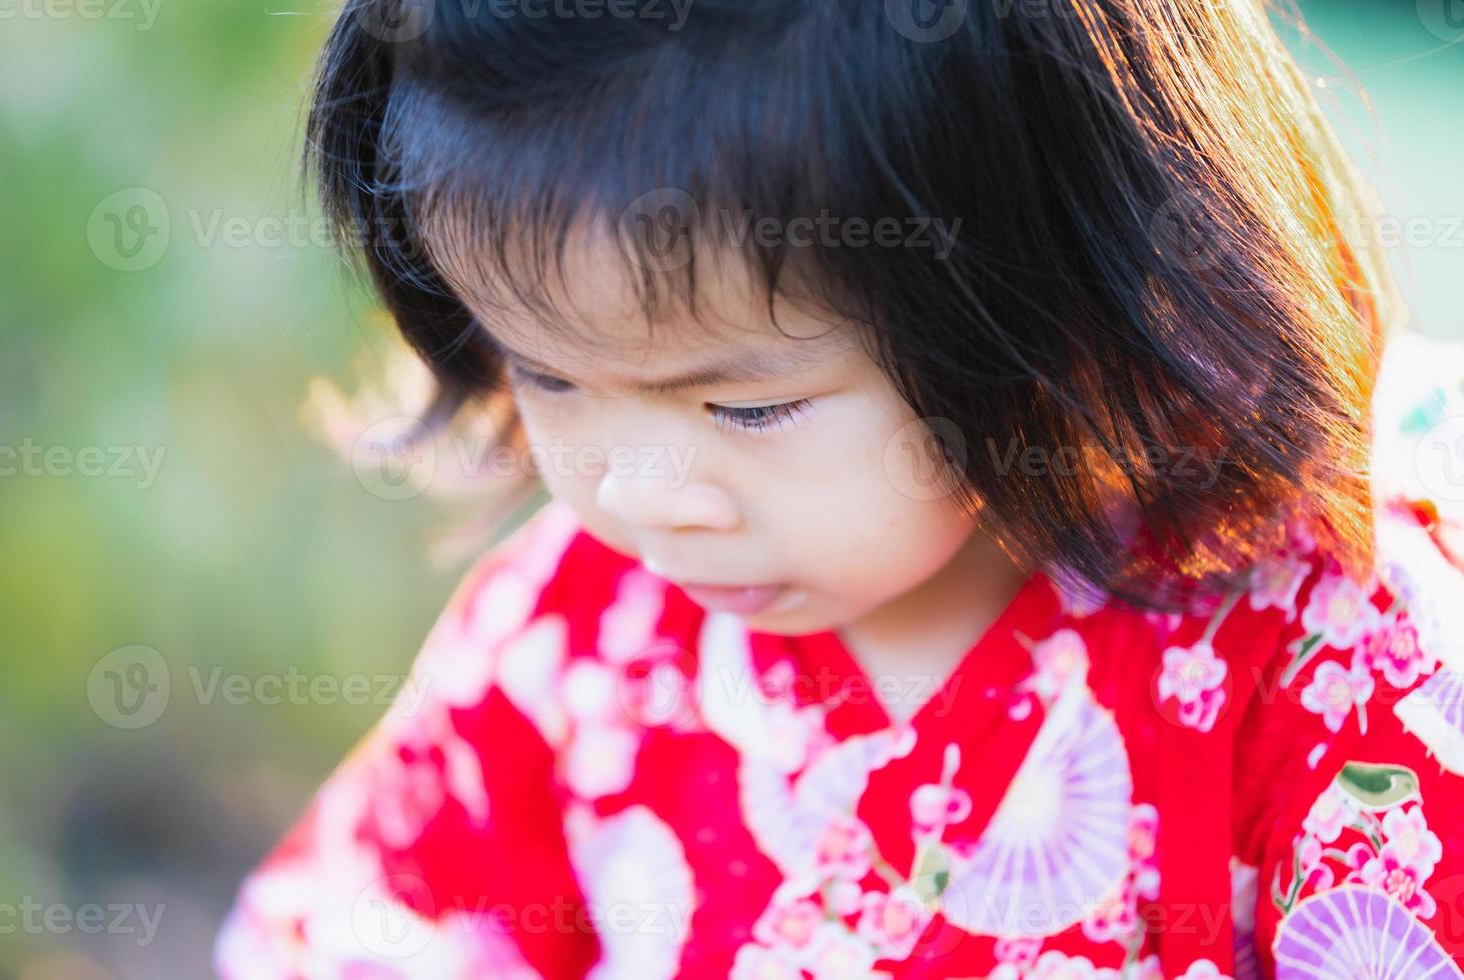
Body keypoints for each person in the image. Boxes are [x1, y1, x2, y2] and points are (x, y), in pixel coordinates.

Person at [214, 0, 1464, 975]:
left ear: (1056, 301)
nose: (645, 492)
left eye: (748, 405)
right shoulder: (571, 638)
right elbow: (355, 932)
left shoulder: (1331, 656)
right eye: (548, 375)